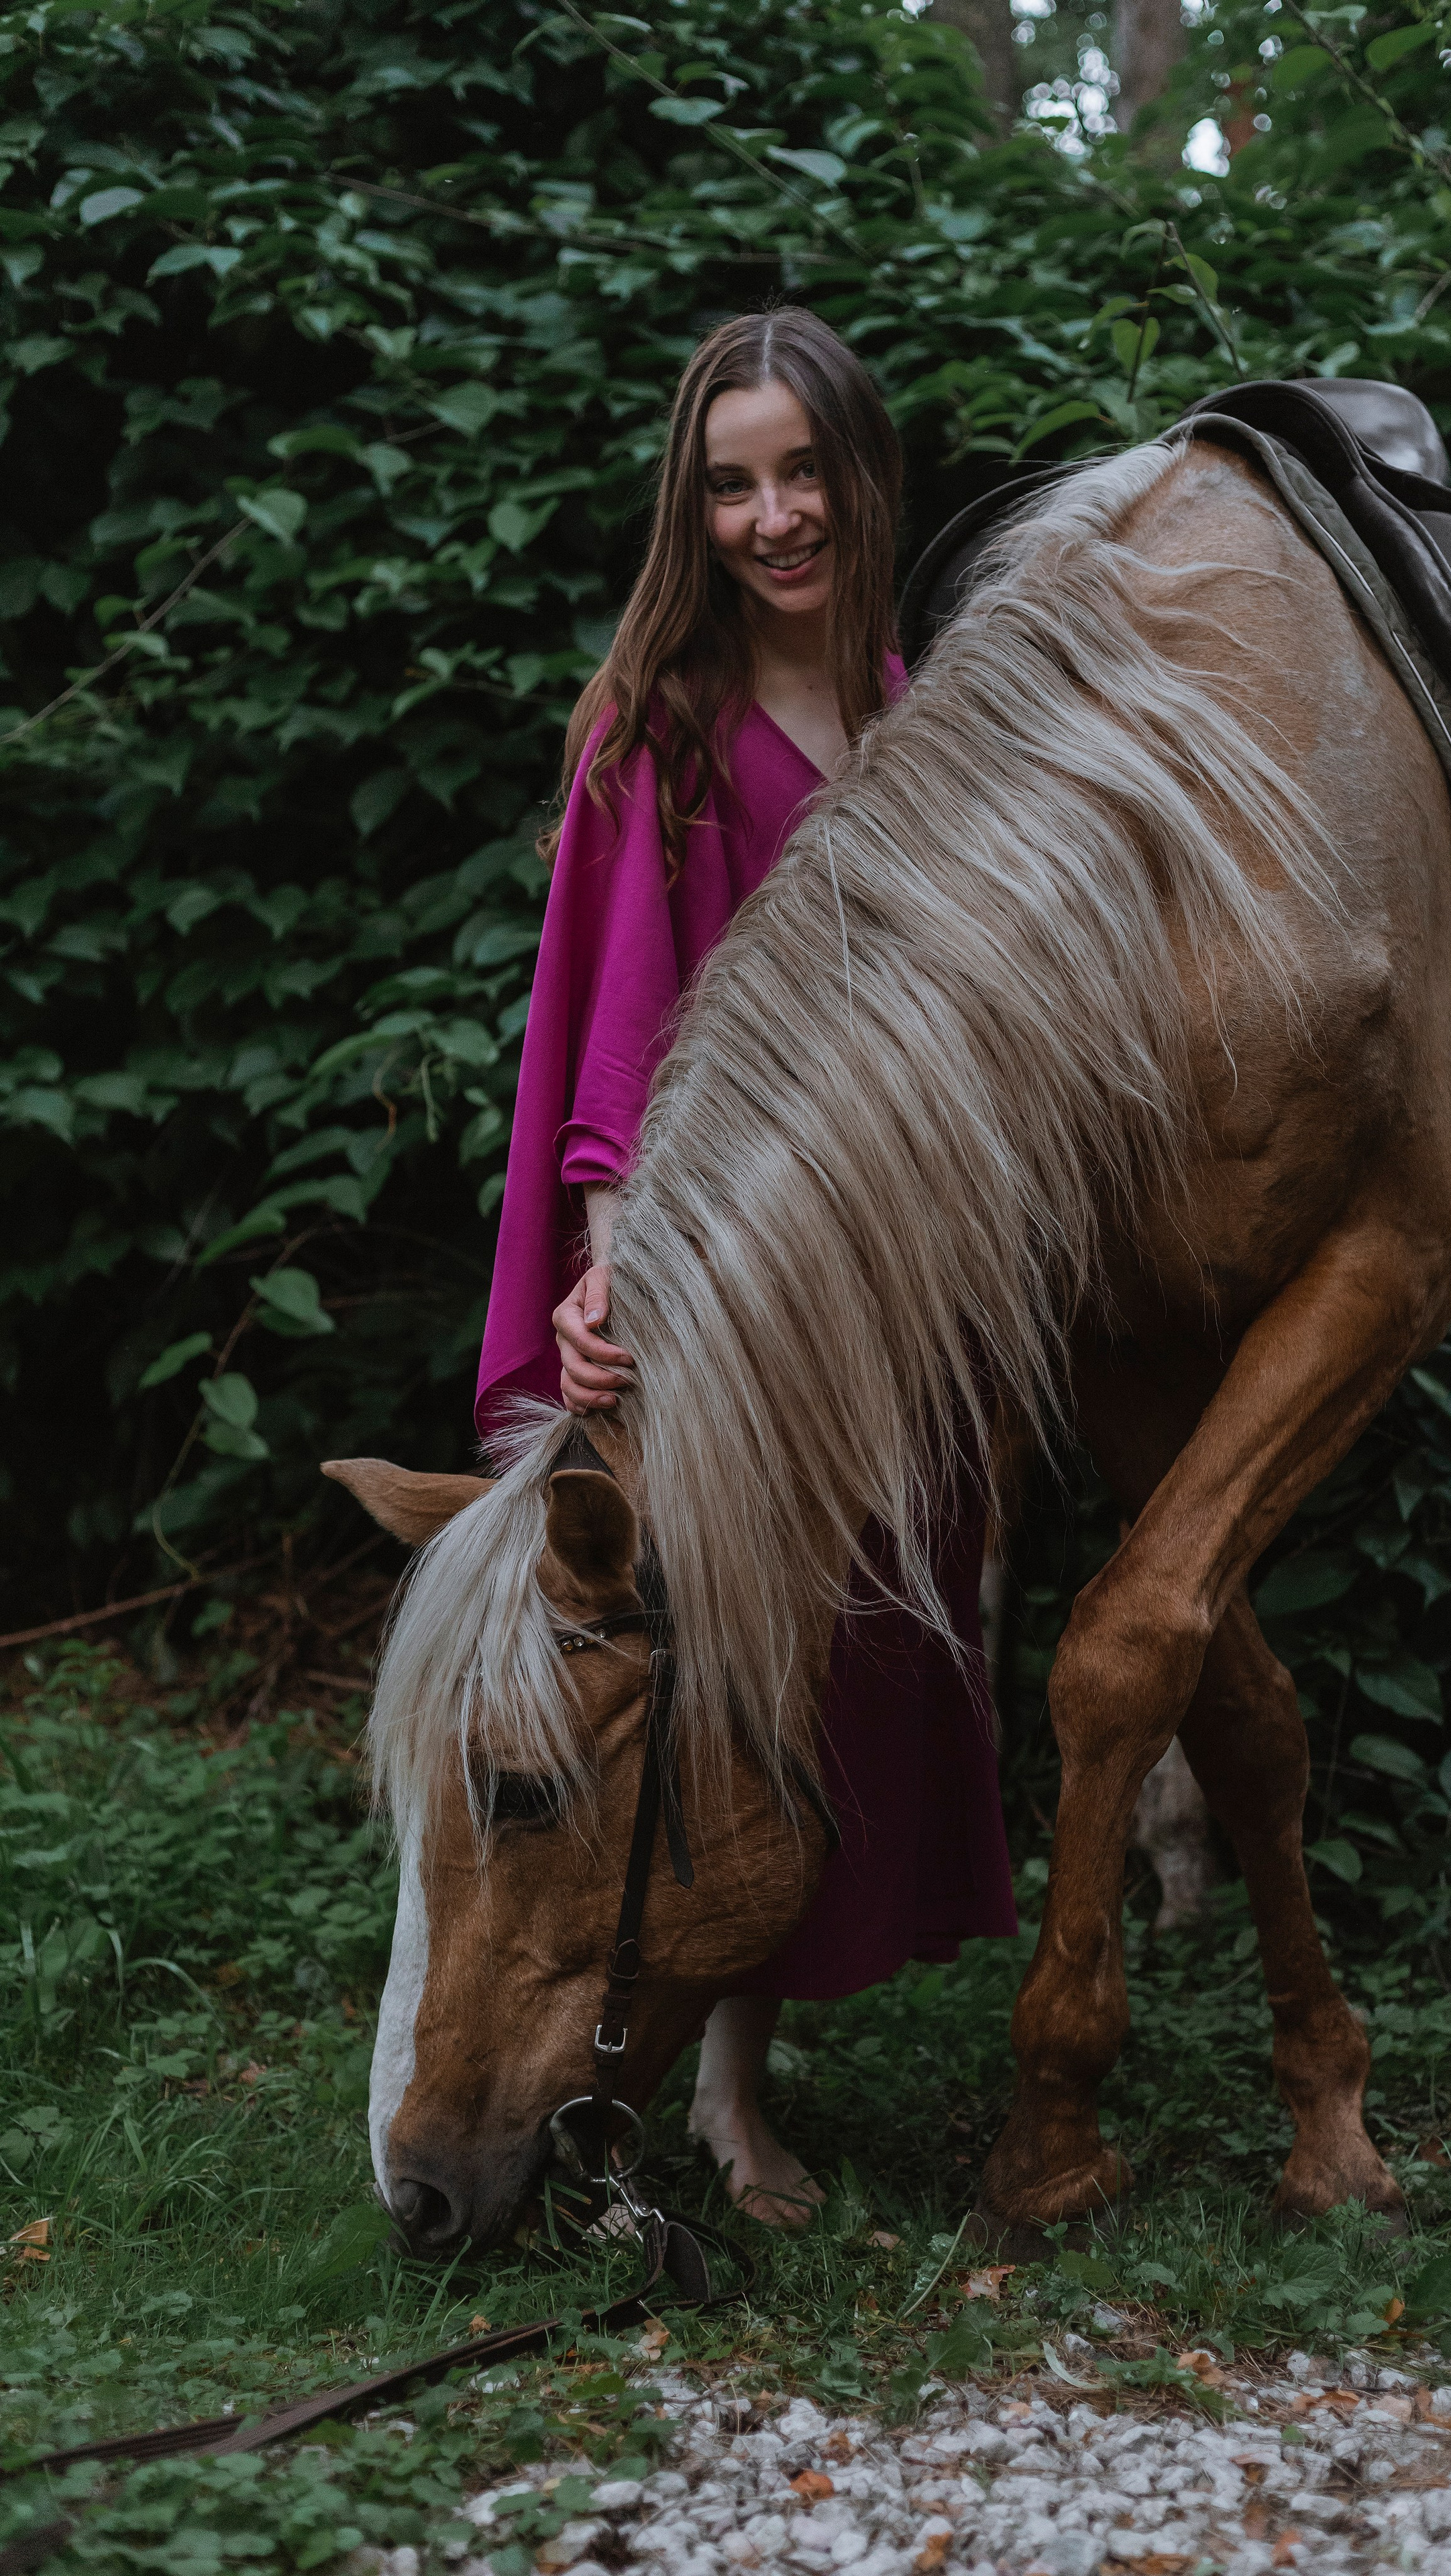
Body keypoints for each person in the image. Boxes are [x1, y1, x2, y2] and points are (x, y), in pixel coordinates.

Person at [476, 309, 1016, 2226]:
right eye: (730, 485)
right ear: (689, 510)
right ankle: (701, 2089)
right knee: (718, 1657)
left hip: (896, 1270)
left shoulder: (930, 715)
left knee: (868, 1641)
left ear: (864, 475)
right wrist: (606, 1270)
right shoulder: (665, 731)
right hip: (719, 1269)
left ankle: (733, 2064)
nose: (772, 516)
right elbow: (618, 1023)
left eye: (801, 473)